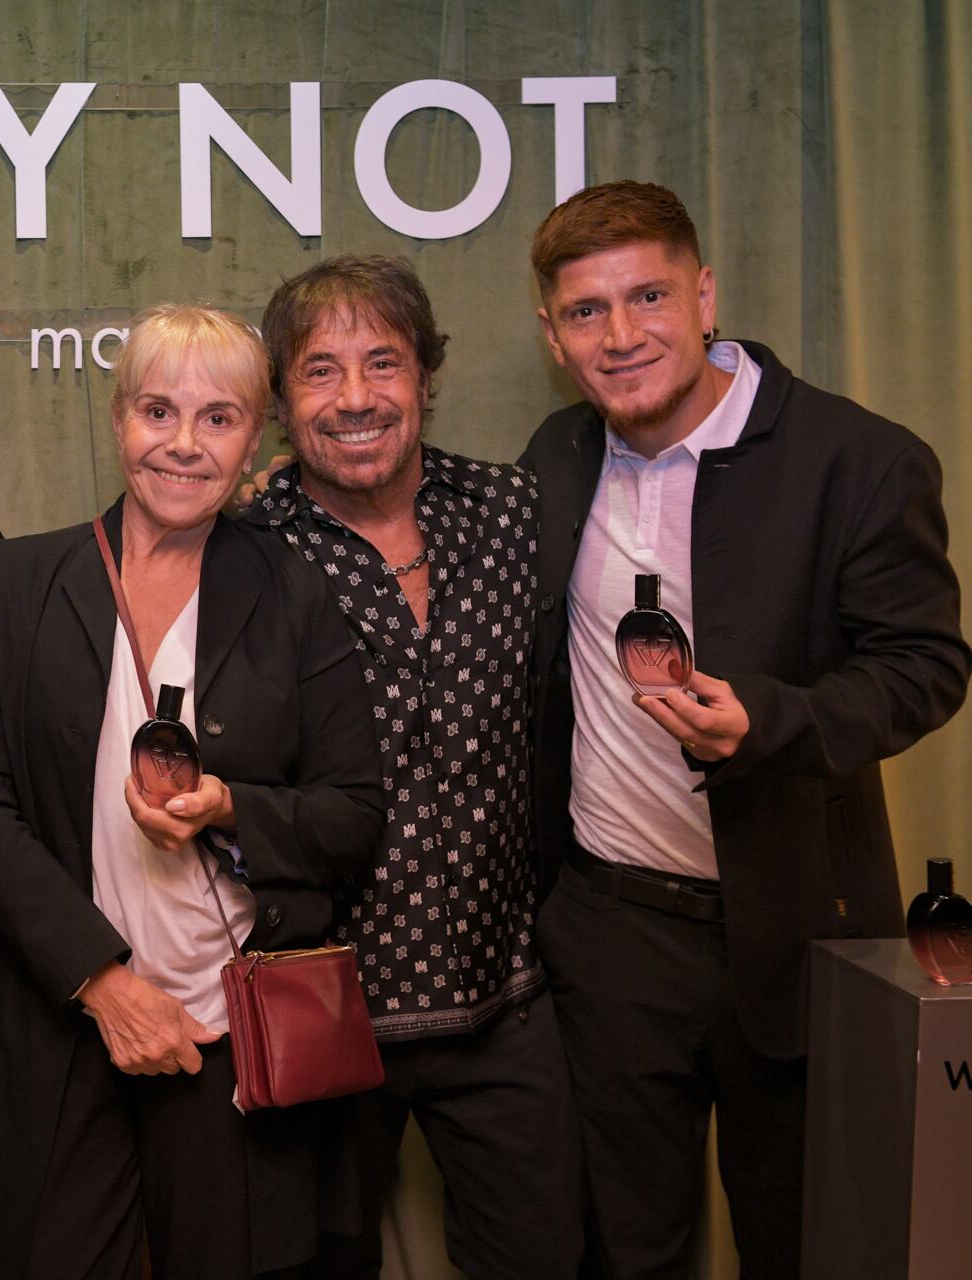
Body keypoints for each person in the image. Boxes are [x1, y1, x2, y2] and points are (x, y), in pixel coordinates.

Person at [520, 180, 969, 1278]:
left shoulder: (856, 458)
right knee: (625, 1249)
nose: (621, 336)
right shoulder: (559, 455)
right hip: (611, 933)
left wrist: (771, 716)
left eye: (648, 295)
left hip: (796, 929)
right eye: (586, 311)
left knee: (811, 1239)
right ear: (552, 333)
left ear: (705, 291)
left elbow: (926, 666)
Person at [0, 303, 386, 1280]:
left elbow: (353, 811)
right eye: (157, 410)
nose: (182, 443)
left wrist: (230, 809)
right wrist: (103, 983)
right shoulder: (14, 584)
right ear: (118, 417)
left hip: (231, 1043)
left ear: (255, 436)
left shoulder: (296, 594)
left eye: (218, 418)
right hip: (62, 1023)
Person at [244, 258, 584, 1280]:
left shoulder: (516, 509)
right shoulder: (245, 548)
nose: (355, 398)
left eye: (382, 362)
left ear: (427, 376)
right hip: (323, 1007)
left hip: (504, 1000)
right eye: (320, 371)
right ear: (278, 399)